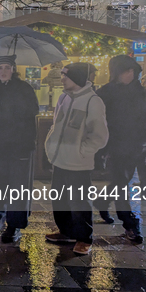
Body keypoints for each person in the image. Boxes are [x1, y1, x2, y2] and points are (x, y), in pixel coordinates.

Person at [44, 63, 109, 255]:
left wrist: (82, 152)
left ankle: (83, 238)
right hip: (59, 159)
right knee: (60, 199)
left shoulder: (93, 101)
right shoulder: (63, 97)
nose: (62, 78)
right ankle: (66, 231)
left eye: (66, 75)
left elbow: (100, 136)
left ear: (78, 78)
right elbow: (57, 124)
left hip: (78, 163)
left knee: (79, 202)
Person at [0, 55, 39, 243]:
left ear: (13, 69)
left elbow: (31, 113)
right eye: (0, 67)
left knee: (17, 187)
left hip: (19, 146)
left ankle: (14, 225)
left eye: (7, 67)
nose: (3, 71)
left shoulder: (24, 89)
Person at [95, 55, 146, 243]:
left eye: (132, 71)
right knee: (121, 184)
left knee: (121, 182)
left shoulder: (142, 92)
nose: (129, 74)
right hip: (116, 145)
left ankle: (102, 201)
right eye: (125, 71)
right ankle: (130, 224)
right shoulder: (106, 92)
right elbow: (99, 119)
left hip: (138, 144)